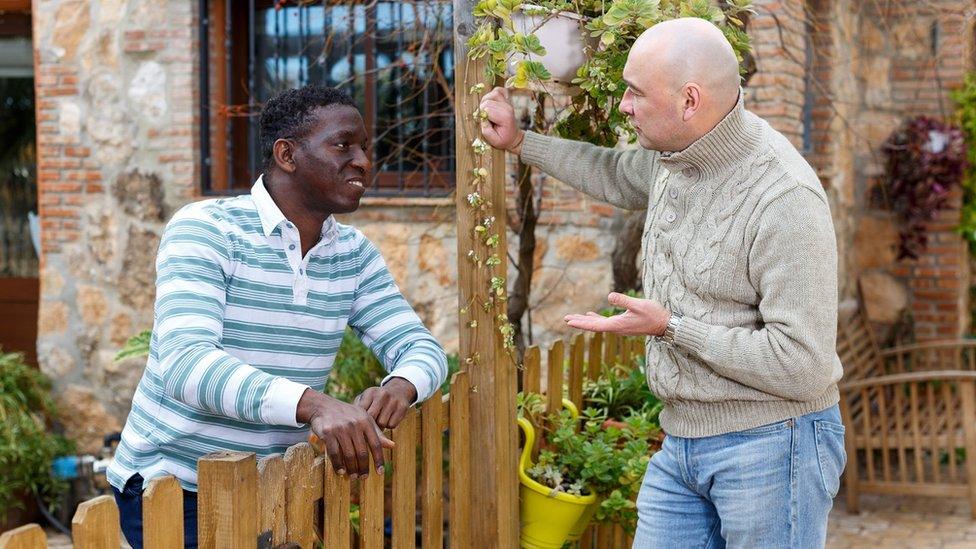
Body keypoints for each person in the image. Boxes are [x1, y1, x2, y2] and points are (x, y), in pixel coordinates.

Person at [479, 17, 846, 548]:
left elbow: (804, 363)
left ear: (689, 100)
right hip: (683, 443)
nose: (623, 106)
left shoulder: (784, 199)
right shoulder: (674, 159)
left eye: (635, 92)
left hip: (774, 445)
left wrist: (673, 328)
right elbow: (613, 172)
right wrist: (519, 142)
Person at [107, 85, 448, 548]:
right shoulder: (207, 228)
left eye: (365, 147)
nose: (364, 161)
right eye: (343, 145)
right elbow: (185, 367)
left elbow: (422, 347)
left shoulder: (353, 254)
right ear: (287, 154)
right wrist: (317, 405)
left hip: (276, 485)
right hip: (175, 489)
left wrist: (401, 386)